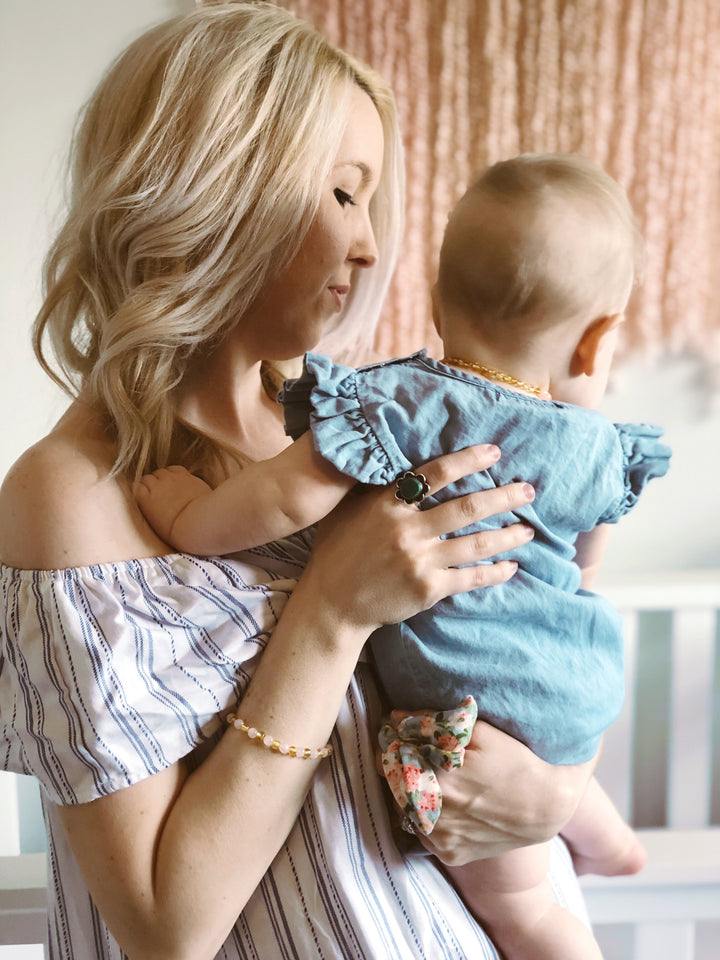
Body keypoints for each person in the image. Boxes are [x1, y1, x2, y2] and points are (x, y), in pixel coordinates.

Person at [0, 5, 598, 960]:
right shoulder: (74, 495)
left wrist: (564, 791)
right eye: (341, 195)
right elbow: (168, 925)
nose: (368, 248)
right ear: (217, 189)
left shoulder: (340, 423)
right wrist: (328, 612)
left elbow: (523, 634)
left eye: (370, 202)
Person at [135, 152, 671, 960]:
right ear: (595, 343)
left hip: (468, 699)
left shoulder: (401, 406)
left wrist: (186, 515)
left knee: (523, 909)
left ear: (433, 295)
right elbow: (592, 554)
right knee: (549, 758)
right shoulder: (597, 444)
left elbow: (282, 500)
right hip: (581, 673)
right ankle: (610, 838)